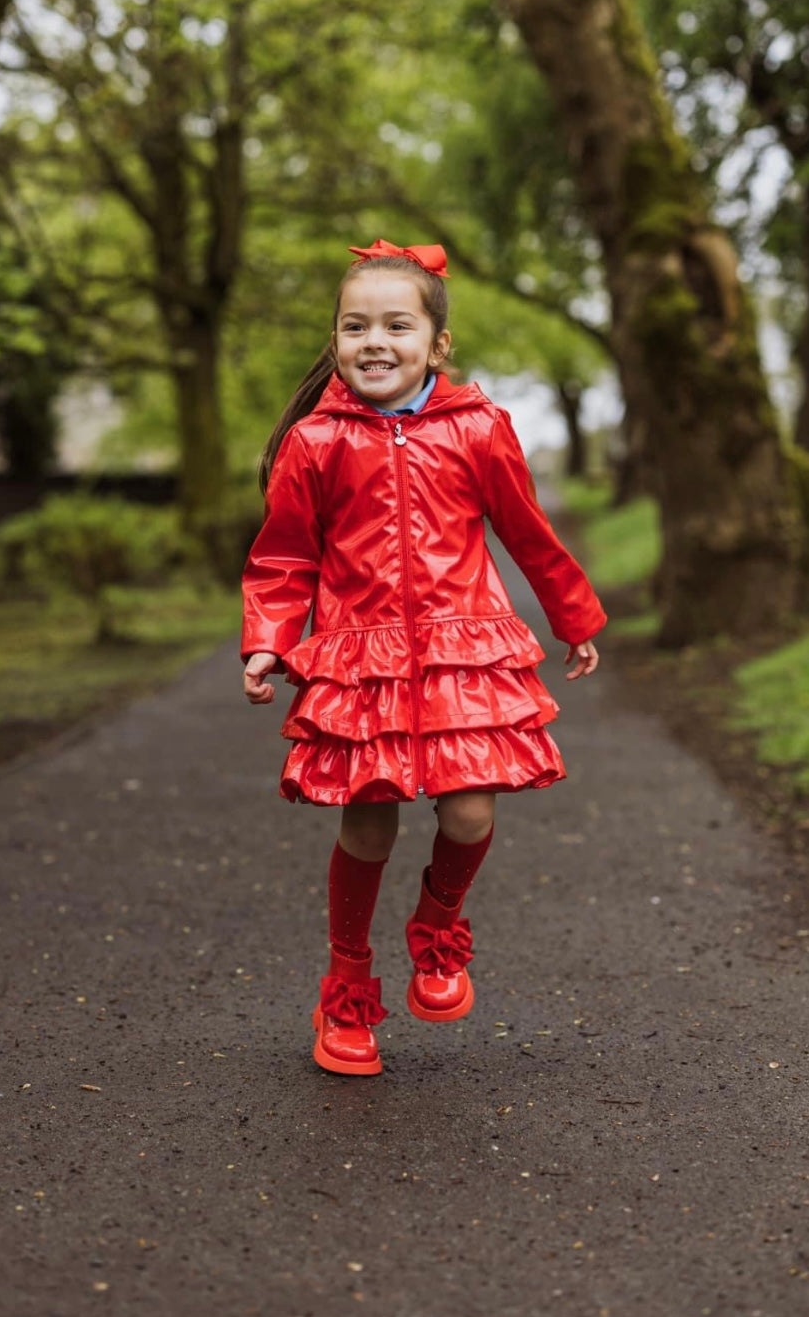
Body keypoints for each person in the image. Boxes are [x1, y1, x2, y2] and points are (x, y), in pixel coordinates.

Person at [241, 239, 605, 1077]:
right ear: (335, 342)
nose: (374, 341)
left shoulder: (480, 430)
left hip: (460, 656)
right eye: (354, 326)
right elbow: (284, 557)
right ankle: (347, 987)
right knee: (367, 826)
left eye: (396, 325)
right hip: (358, 666)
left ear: (435, 344)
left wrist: (571, 615)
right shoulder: (316, 443)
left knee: (470, 814)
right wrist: (267, 643)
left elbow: (527, 532)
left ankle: (438, 926)